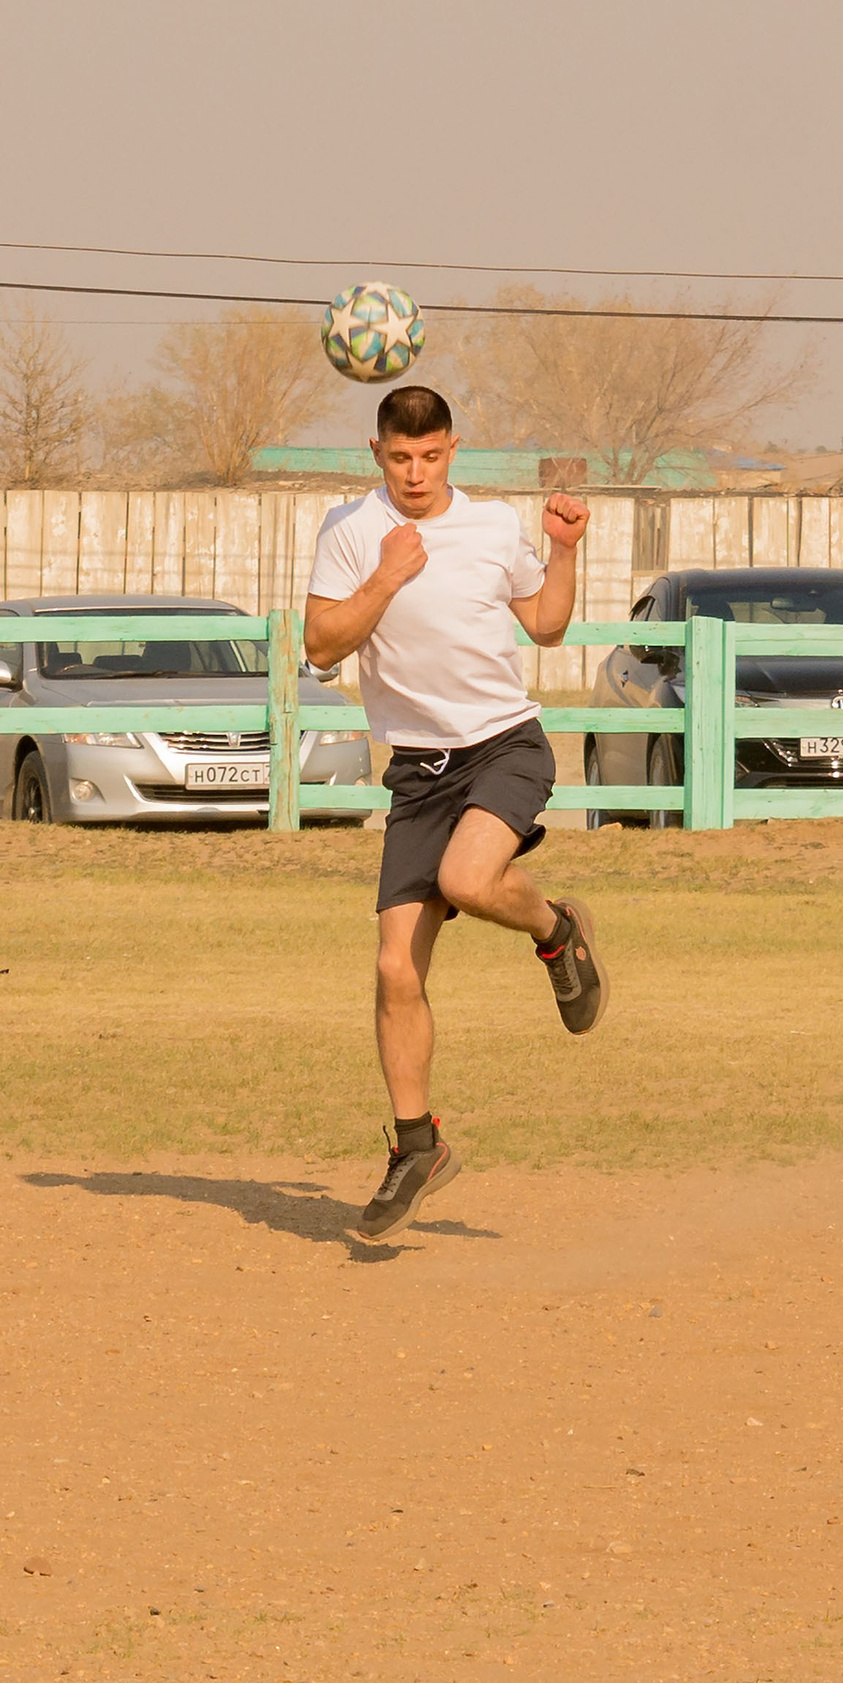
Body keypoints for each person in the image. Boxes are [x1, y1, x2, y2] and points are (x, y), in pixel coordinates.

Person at [304, 385, 610, 1244]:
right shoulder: (351, 532)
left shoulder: (489, 528)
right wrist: (388, 575)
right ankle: (418, 1147)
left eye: (431, 456)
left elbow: (547, 627)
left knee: (468, 879)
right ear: (377, 454)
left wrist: (561, 550)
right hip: (419, 773)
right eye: (400, 458)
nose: (415, 473)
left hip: (504, 746)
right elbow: (322, 645)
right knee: (395, 968)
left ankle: (556, 930)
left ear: (452, 450)